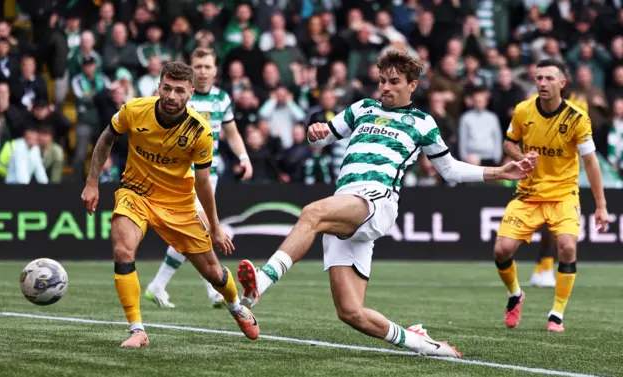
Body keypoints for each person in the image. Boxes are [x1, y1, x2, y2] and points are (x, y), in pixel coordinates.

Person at [236, 50, 534, 358]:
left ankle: (261, 280)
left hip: (377, 200)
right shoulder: (363, 107)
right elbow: (321, 139)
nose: (385, 87)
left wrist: (500, 171)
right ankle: (423, 343)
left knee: (312, 212)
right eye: (382, 81)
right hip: (346, 203)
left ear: (412, 85)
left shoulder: (422, 122)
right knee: (351, 312)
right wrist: (315, 132)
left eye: (394, 82)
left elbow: (450, 170)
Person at [80, 61, 259, 348]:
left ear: (190, 94)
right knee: (122, 249)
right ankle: (137, 330)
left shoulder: (200, 131)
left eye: (179, 90)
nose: (172, 96)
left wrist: (214, 227)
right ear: (158, 87)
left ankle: (237, 306)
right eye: (167, 88)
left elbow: (202, 184)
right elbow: (107, 138)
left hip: (179, 204)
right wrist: (92, 182)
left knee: (214, 273)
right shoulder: (134, 109)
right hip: (135, 193)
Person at [496, 59, 609, 333]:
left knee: (568, 247)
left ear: (562, 83)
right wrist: (522, 157)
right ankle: (515, 294)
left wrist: (601, 205)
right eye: (539, 78)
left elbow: (591, 162)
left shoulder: (577, 118)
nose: (542, 83)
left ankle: (556, 315)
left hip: (563, 195)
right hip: (528, 193)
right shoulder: (524, 110)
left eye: (548, 78)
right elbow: (508, 142)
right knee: (501, 251)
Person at [145, 48, 253, 309]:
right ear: (191, 70)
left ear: (215, 70)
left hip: (208, 176)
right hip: (181, 175)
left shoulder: (222, 99)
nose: (203, 71)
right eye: (198, 66)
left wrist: (244, 157)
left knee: (191, 234)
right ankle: (215, 290)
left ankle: (158, 286)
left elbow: (232, 132)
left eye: (207, 66)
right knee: (201, 229)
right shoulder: (177, 96)